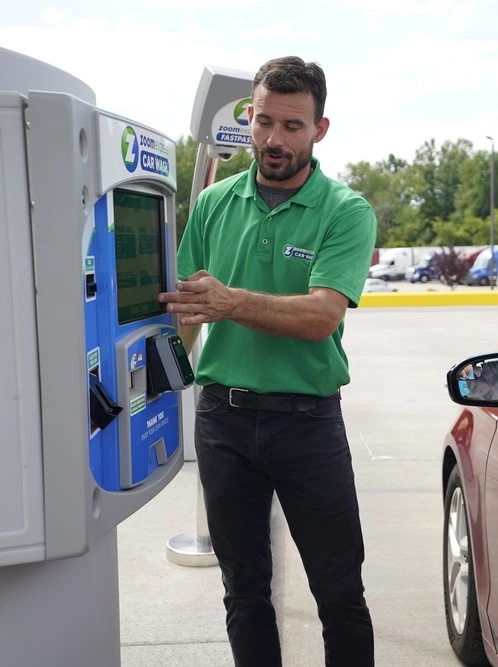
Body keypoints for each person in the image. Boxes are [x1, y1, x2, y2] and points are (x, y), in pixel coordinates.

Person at [159, 56, 376, 667]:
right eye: (263, 122)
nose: (274, 139)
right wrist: (154, 387)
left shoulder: (345, 211)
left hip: (307, 425)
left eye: (292, 126)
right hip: (223, 422)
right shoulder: (212, 205)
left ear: (320, 129)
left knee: (339, 594)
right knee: (243, 593)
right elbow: (186, 313)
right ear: (249, 118)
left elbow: (320, 317)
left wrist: (229, 302)